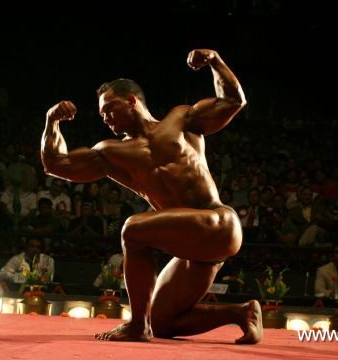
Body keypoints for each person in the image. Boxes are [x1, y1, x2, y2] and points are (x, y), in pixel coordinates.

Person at [40, 49, 261, 343]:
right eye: (101, 113)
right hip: (195, 250)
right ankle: (241, 313)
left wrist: (215, 61)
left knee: (133, 229)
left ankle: (136, 326)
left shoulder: (181, 119)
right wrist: (50, 122)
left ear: (131, 100)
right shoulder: (110, 153)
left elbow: (234, 101)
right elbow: (56, 165)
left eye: (109, 108)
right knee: (162, 322)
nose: (105, 117)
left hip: (219, 223)